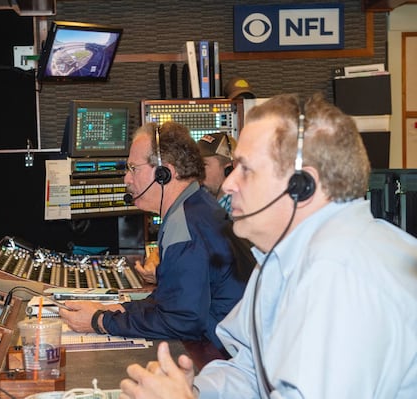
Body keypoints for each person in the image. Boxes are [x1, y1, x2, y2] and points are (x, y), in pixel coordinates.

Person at [119, 93, 417, 399]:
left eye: (246, 169)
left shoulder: (343, 276)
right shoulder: (280, 260)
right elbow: (249, 369)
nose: (228, 184)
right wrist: (193, 391)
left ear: (301, 186)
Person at [59, 121, 253, 353]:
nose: (126, 179)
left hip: (223, 357)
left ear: (164, 173)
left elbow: (182, 320)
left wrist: (99, 321)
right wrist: (119, 310)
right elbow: (170, 301)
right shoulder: (195, 206)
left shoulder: (185, 224)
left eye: (133, 169)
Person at [134, 132, 239, 283]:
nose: (197, 173)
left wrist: (164, 274)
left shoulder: (238, 212)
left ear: (229, 170)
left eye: (203, 166)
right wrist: (156, 256)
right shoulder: (201, 202)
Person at [197, 132, 237, 213]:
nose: (197, 171)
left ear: (228, 170)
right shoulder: (200, 205)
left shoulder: (240, 210)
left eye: (204, 164)